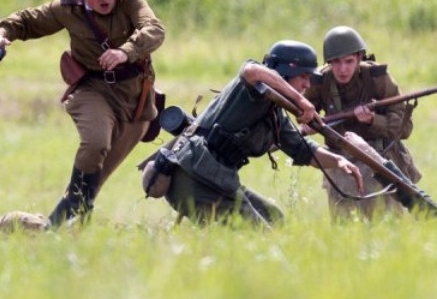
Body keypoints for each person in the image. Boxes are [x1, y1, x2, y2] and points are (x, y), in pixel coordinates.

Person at [0, 0, 166, 227]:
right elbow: (28, 20)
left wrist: (124, 52)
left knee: (92, 182)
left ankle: (60, 227)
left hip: (136, 101)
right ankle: (67, 216)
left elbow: (154, 29)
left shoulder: (130, 1)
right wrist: (2, 35)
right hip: (93, 90)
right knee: (95, 142)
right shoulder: (68, 9)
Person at [153, 40, 363, 226]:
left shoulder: (275, 115)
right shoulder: (251, 90)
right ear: (284, 73)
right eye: (303, 77)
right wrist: (301, 102)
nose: (308, 85)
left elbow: (304, 151)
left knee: (274, 220)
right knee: (258, 232)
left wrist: (339, 162)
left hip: (212, 179)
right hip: (193, 178)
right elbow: (251, 70)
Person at [302, 26, 421, 219]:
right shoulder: (319, 81)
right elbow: (305, 112)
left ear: (359, 58)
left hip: (379, 156)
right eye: (336, 62)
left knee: (387, 220)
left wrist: (374, 120)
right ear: (329, 62)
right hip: (340, 161)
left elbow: (404, 129)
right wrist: (310, 123)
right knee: (344, 224)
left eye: (349, 61)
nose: (343, 69)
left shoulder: (377, 78)